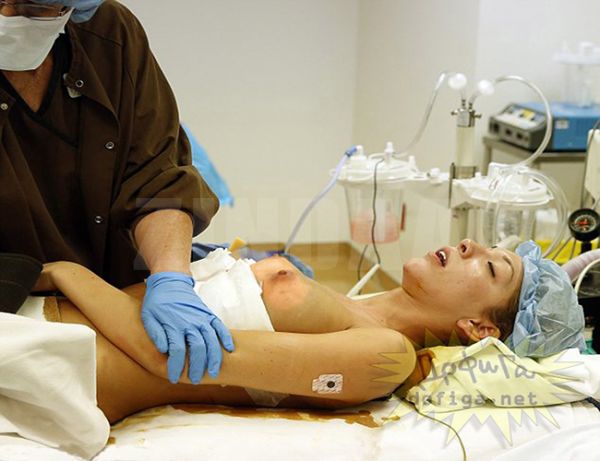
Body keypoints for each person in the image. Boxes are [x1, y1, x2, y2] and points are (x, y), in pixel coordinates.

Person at [29, 239, 586, 423]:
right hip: (51, 320)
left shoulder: (385, 356)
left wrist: (66, 271)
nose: (469, 245)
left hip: (64, 367)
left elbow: (177, 356)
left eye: (491, 267)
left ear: (477, 327)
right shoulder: (356, 307)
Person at [0, 0, 231, 384]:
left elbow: (154, 175)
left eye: (34, 7)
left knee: (281, 286)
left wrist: (171, 278)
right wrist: (60, 276)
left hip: (121, 286)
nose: (8, 17)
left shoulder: (110, 34)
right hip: (15, 310)